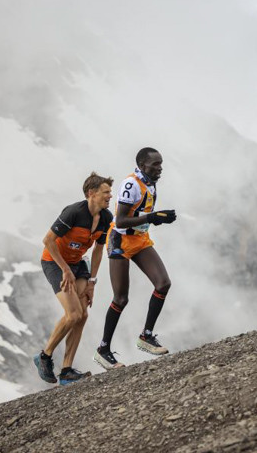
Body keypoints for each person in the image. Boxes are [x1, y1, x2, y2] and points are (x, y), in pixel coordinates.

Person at [94, 147, 177, 370]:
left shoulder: (150, 181)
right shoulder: (131, 185)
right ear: (142, 165)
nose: (160, 169)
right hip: (120, 241)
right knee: (121, 298)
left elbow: (141, 217)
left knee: (163, 283)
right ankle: (103, 349)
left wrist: (156, 219)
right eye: (155, 165)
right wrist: (151, 217)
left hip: (139, 239)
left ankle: (146, 336)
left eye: (161, 164)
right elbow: (120, 221)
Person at [33, 172, 114, 385]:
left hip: (78, 264)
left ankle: (67, 371)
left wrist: (92, 282)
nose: (110, 196)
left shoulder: (106, 218)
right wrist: (65, 270)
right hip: (54, 262)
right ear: (91, 193)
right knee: (73, 314)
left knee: (83, 315)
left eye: (110, 193)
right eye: (106, 192)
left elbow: (98, 249)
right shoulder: (73, 213)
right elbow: (48, 240)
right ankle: (44, 356)